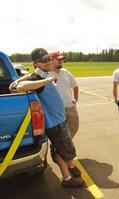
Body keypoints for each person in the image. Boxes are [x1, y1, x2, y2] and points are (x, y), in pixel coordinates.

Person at [11, 48, 84, 188]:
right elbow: (20, 88)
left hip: (58, 119)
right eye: (44, 60)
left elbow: (24, 80)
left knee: (61, 149)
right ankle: (68, 177)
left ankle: (69, 172)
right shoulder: (40, 78)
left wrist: (19, 79)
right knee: (65, 150)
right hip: (54, 122)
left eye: (49, 58)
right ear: (36, 63)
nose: (48, 61)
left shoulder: (42, 74)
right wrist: (49, 80)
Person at [49, 52, 79, 138]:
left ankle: (64, 145)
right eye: (58, 59)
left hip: (70, 106)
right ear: (51, 60)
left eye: (62, 60)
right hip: (56, 109)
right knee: (58, 132)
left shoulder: (66, 73)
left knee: (74, 127)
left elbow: (75, 85)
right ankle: (62, 148)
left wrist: (75, 99)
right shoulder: (47, 74)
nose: (61, 61)